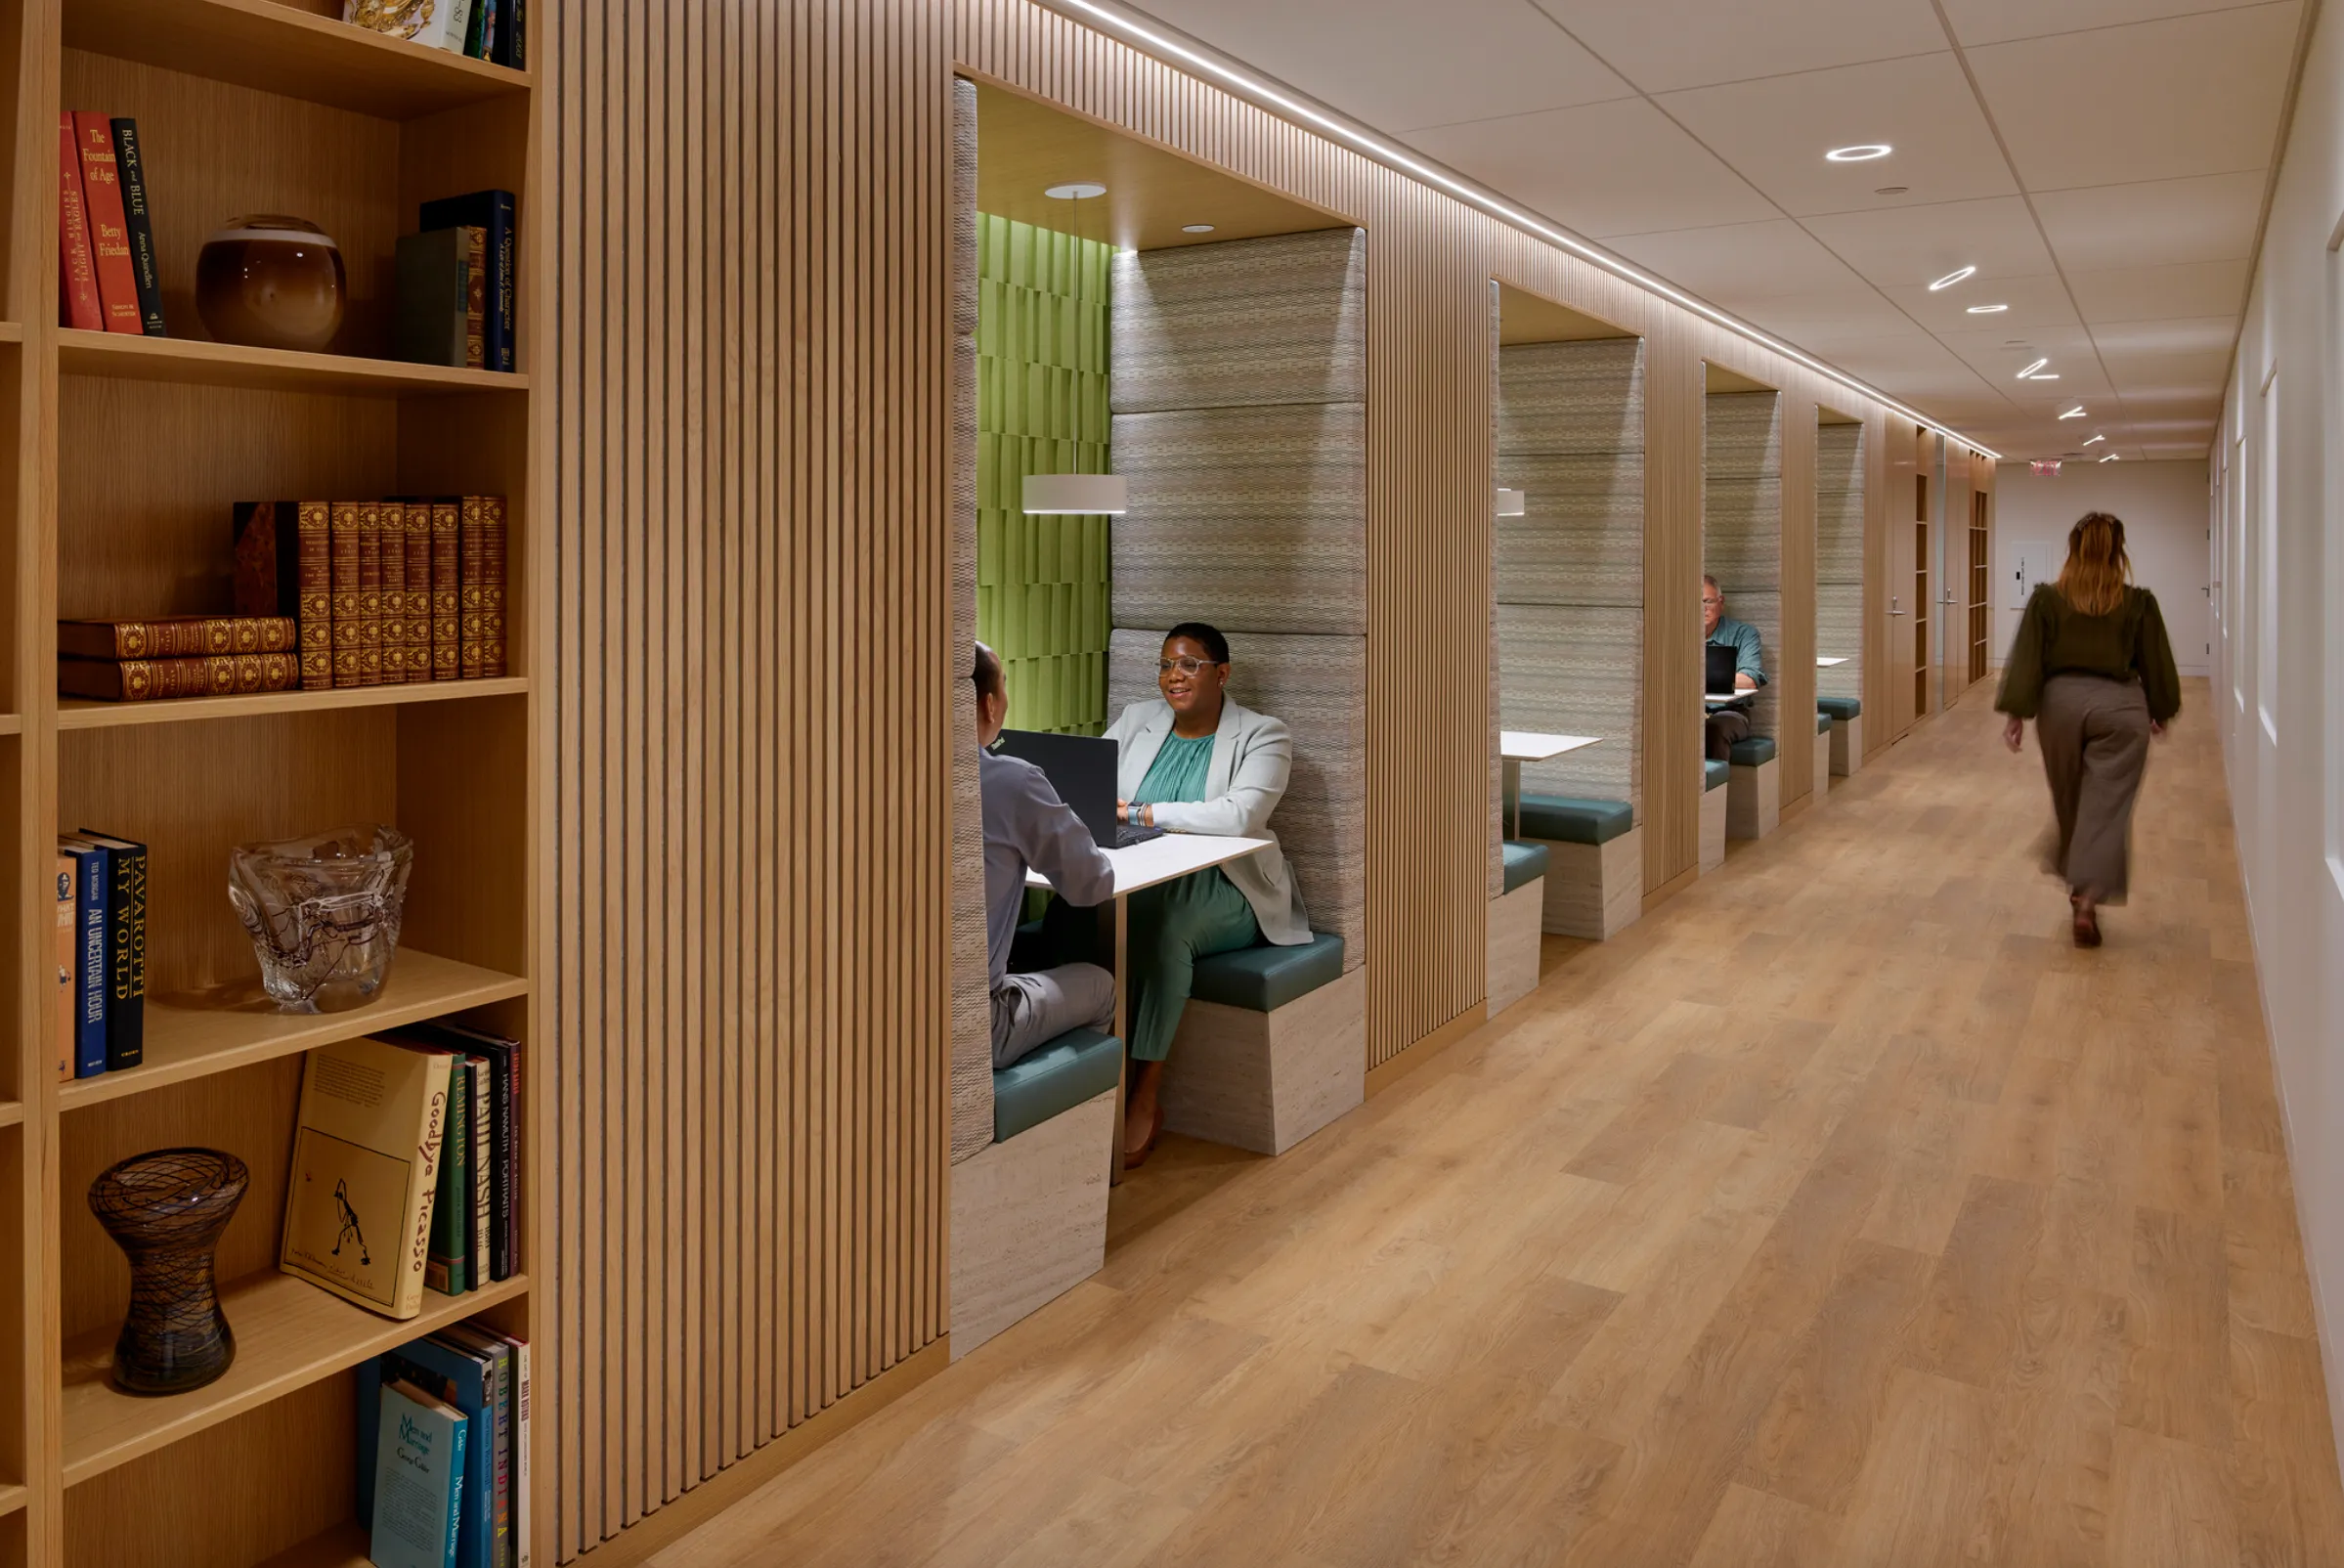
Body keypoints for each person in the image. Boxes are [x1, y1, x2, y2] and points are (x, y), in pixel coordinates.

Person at [1103, 622, 1312, 1168]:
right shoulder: (1136, 720)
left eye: (1190, 664)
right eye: (1167, 664)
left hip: (1229, 885)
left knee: (1167, 931)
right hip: (1142, 873)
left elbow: (1240, 816)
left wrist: (1140, 812)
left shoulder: (1264, 734)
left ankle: (1144, 1091)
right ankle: (1089, 1082)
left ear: (1221, 673)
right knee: (1073, 915)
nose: (1175, 675)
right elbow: (1094, 787)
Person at [1994, 511, 2181, 948]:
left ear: (2073, 548)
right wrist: (2161, 708)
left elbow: (2028, 658)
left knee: (2071, 801)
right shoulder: (2138, 603)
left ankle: (2077, 878)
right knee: (2106, 805)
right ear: (2119, 551)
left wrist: (2016, 714)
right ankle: (2088, 895)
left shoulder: (2046, 600)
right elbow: (2156, 660)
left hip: (2060, 706)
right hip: (2120, 708)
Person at [975, 642, 1117, 1067]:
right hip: (976, 1019)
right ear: (988, 703)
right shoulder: (1012, 781)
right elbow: (1092, 884)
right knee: (1101, 984)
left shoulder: (871, 775)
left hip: (878, 1007)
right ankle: (1052, 1119)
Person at [1703, 574, 1765, 762]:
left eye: (1708, 601)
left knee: (1713, 728)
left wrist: (1696, 679)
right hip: (1686, 709)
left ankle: (1711, 788)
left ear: (1721, 602)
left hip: (1730, 713)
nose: (1702, 609)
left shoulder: (1744, 634)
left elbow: (1749, 680)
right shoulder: (1676, 634)